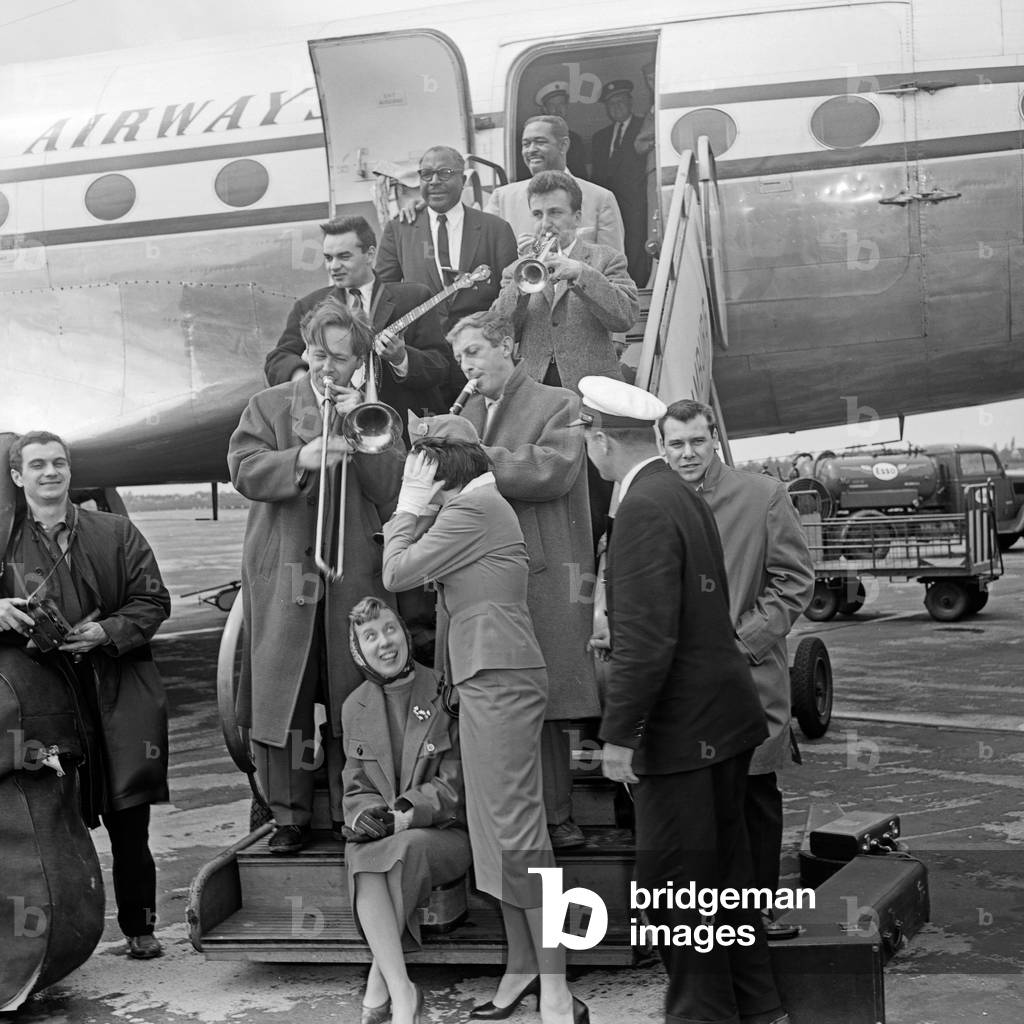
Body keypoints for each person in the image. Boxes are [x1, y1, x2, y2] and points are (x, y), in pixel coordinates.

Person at [579, 377, 789, 1024]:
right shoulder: (678, 492)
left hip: (681, 739)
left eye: (585, 436)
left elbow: (645, 642)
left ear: (600, 438)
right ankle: (757, 1008)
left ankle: (703, 1015)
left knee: (677, 895)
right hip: (725, 727)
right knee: (727, 885)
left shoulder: (643, 505)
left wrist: (617, 739)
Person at [381, 416, 587, 1024]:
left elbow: (396, 573)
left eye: (424, 475)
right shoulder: (476, 507)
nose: (420, 487)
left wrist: (407, 506)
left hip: (498, 677)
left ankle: (555, 983)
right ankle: (523, 966)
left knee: (519, 833)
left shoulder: (471, 512)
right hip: (485, 676)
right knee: (498, 832)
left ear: (445, 476)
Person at [229, 297, 404, 854]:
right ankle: (289, 815)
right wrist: (302, 457)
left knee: (357, 692)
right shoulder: (270, 404)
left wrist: (361, 436)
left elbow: (392, 491)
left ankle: (359, 805)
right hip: (285, 572)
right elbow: (244, 470)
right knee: (286, 694)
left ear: (361, 363)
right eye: (318, 354)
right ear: (305, 351)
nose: (328, 368)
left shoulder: (373, 414)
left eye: (342, 358)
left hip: (351, 573)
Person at [0, 431, 170, 960]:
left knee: (130, 818)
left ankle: (140, 926)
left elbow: (153, 600)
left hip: (114, 688)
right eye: (38, 465)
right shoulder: (1, 537)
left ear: (69, 471)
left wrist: (107, 632)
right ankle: (44, 946)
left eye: (59, 463)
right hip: (42, 697)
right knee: (44, 823)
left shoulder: (114, 531)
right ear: (16, 476)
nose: (50, 473)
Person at [447, 310, 599, 849]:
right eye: (460, 356)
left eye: (473, 352)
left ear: (508, 346)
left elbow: (551, 470)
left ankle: (557, 816)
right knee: (493, 700)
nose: (464, 365)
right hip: (481, 579)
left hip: (541, 575)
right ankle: (498, 819)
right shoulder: (465, 407)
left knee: (547, 702)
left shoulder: (560, 402)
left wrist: (465, 455)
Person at [661, 399, 815, 906]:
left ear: (714, 440)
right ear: (663, 447)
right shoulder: (650, 501)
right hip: (678, 685)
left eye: (697, 441)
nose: (688, 453)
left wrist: (740, 643)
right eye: (677, 444)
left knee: (753, 799)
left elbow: (794, 583)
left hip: (746, 681)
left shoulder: (763, 495)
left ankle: (759, 913)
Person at [342, 597, 470, 1024]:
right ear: (359, 649)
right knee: (364, 858)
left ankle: (381, 982)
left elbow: (455, 787)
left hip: (444, 832)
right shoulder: (353, 706)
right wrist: (363, 815)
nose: (385, 643)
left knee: (403, 850)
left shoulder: (443, 691)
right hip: (384, 835)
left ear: (405, 633)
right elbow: (355, 787)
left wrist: (404, 813)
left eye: (390, 629)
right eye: (370, 635)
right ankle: (402, 990)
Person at [492, 169, 638, 543]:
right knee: (549, 499)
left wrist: (581, 274)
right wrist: (520, 285)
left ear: (577, 216)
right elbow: (500, 329)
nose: (546, 223)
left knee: (597, 493)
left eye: (555, 213)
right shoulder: (518, 268)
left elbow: (624, 316)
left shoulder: (604, 259)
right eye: (538, 214)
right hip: (539, 393)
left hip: (593, 393)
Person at [263, 215, 451, 440]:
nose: (334, 266)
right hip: (334, 433)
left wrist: (401, 358)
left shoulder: (415, 297)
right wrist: (310, 384)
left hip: (403, 435)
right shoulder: (309, 306)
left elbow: (441, 366)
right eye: (328, 258)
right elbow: (278, 359)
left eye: (344, 257)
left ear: (370, 255)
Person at [376, 145, 518, 403]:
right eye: (426, 174)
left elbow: (512, 296)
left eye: (444, 173)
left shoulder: (495, 228)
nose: (434, 182)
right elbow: (384, 294)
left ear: (463, 180)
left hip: (481, 360)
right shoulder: (399, 228)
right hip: (425, 361)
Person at [485, 115, 624, 253]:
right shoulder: (501, 198)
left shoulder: (601, 198)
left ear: (563, 145)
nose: (531, 150)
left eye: (540, 142)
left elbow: (614, 267)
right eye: (526, 144)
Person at [590, 79, 651, 286]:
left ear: (630, 102)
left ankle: (637, 288)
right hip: (610, 207)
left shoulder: (644, 128)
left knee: (636, 250)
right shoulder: (600, 138)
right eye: (611, 104)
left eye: (620, 102)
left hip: (636, 206)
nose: (616, 107)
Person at [514, 82, 588, 180]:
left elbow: (581, 175)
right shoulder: (527, 141)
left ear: (567, 107)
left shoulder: (575, 139)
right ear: (544, 109)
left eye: (561, 104)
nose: (557, 109)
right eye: (552, 105)